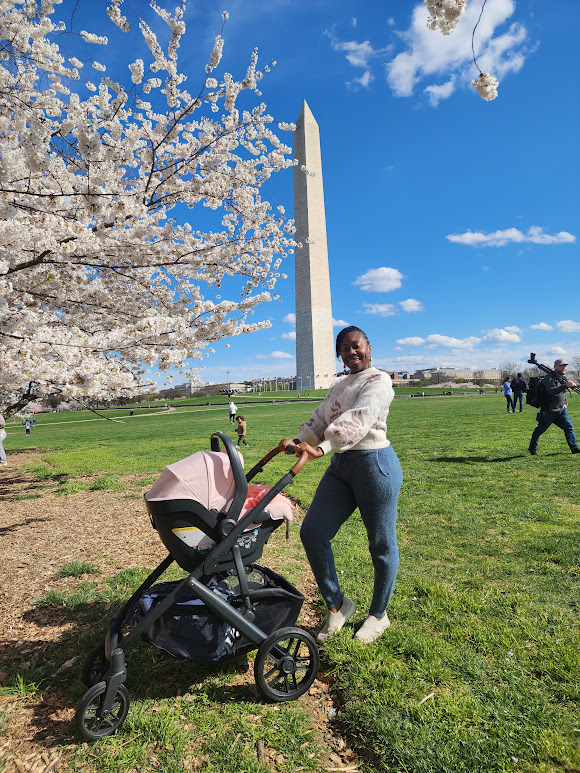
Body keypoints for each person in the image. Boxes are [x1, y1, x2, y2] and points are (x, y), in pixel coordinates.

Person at [279, 326, 403, 645]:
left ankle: (379, 615)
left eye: (356, 345)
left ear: (369, 347)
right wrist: (299, 441)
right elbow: (321, 420)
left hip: (374, 465)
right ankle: (337, 605)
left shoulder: (379, 380)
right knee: (313, 533)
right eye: (344, 349)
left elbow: (359, 420)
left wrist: (321, 448)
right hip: (342, 467)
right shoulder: (338, 384)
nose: (351, 352)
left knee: (380, 544)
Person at [529, 359, 580, 456]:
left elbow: (562, 393)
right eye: (561, 366)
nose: (563, 368)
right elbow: (551, 391)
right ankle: (532, 448)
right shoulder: (549, 379)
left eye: (565, 366)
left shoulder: (561, 378)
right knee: (540, 430)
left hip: (561, 410)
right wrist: (566, 386)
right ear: (555, 366)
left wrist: (565, 402)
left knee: (569, 427)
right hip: (549, 411)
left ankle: (574, 448)